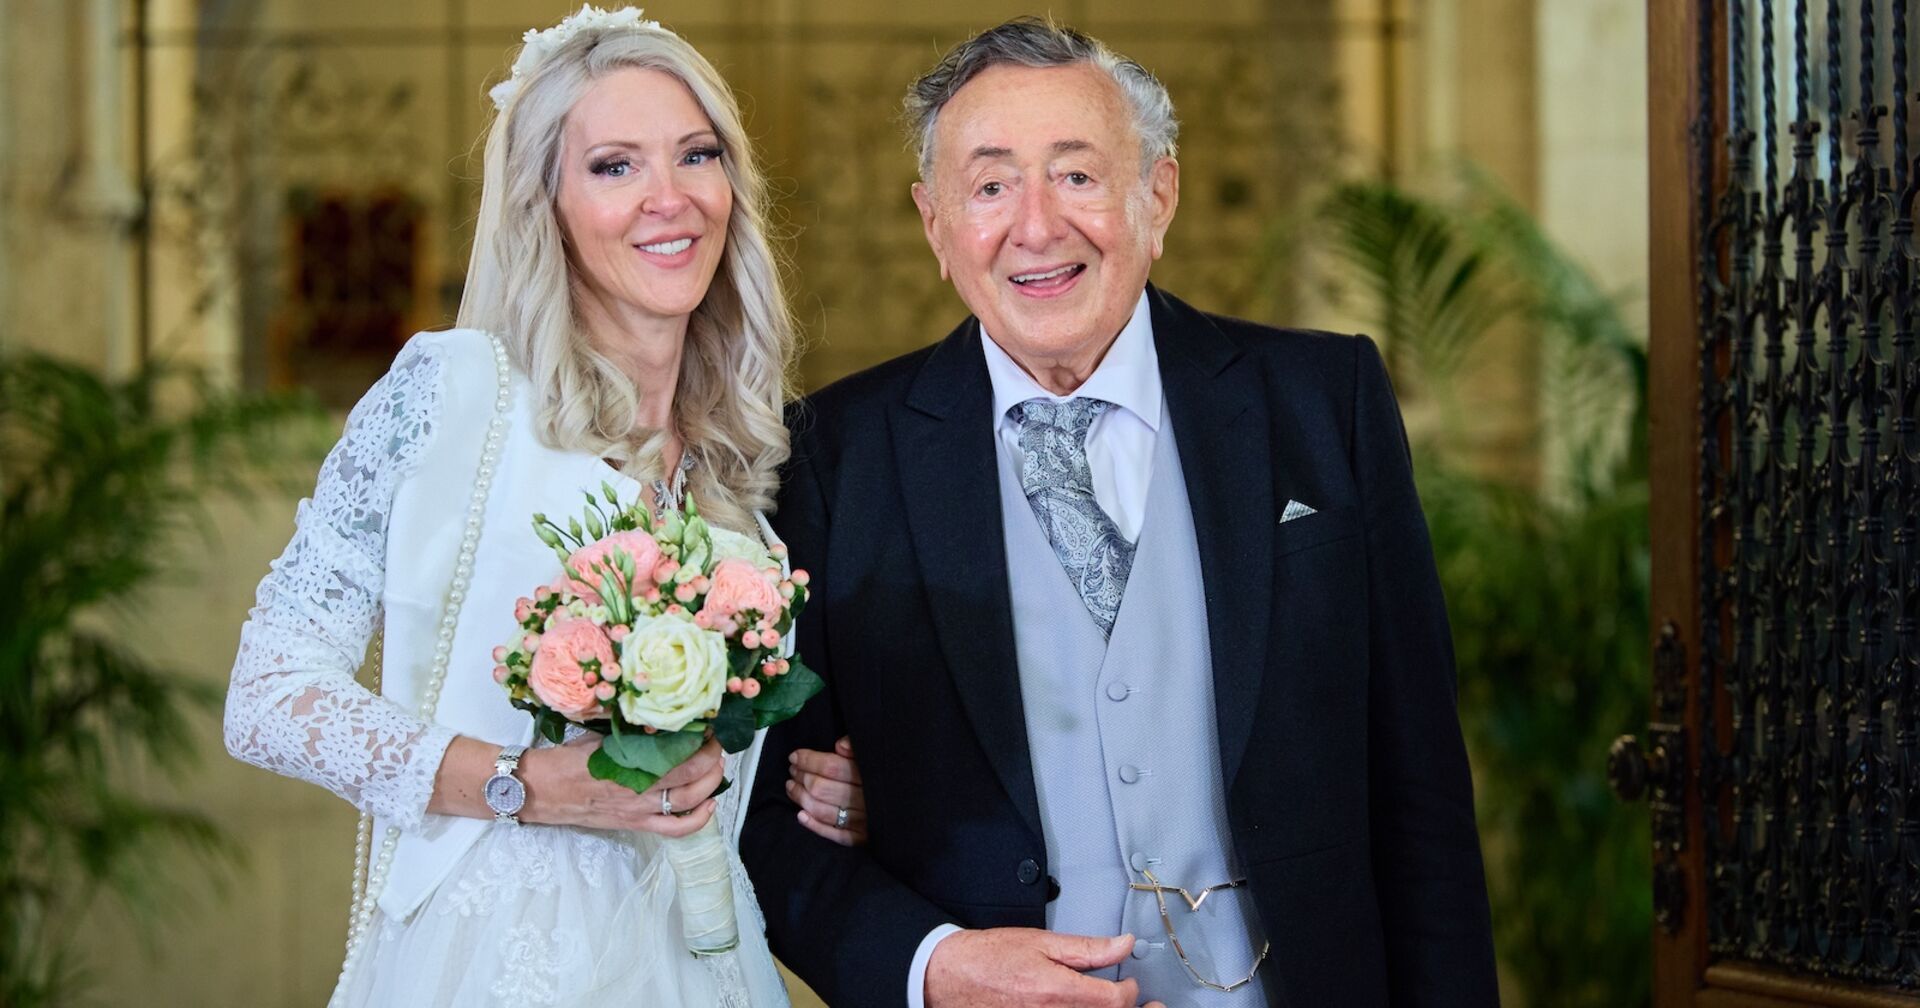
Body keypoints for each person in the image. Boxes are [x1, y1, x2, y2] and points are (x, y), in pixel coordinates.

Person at [741, 16, 1499, 1008]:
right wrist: (937, 965)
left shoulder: (1323, 402)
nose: (1038, 226)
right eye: (990, 185)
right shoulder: (833, 458)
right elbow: (773, 836)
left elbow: (1423, 796)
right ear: (936, 225)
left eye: (1079, 175)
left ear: (1160, 194)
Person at [224, 8, 852, 1005]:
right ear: (543, 204)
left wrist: (824, 790)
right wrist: (523, 782)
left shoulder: (742, 477)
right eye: (614, 166)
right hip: (490, 962)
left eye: (696, 155)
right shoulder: (454, 394)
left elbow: (725, 782)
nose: (670, 198)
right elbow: (266, 696)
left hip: (702, 963)